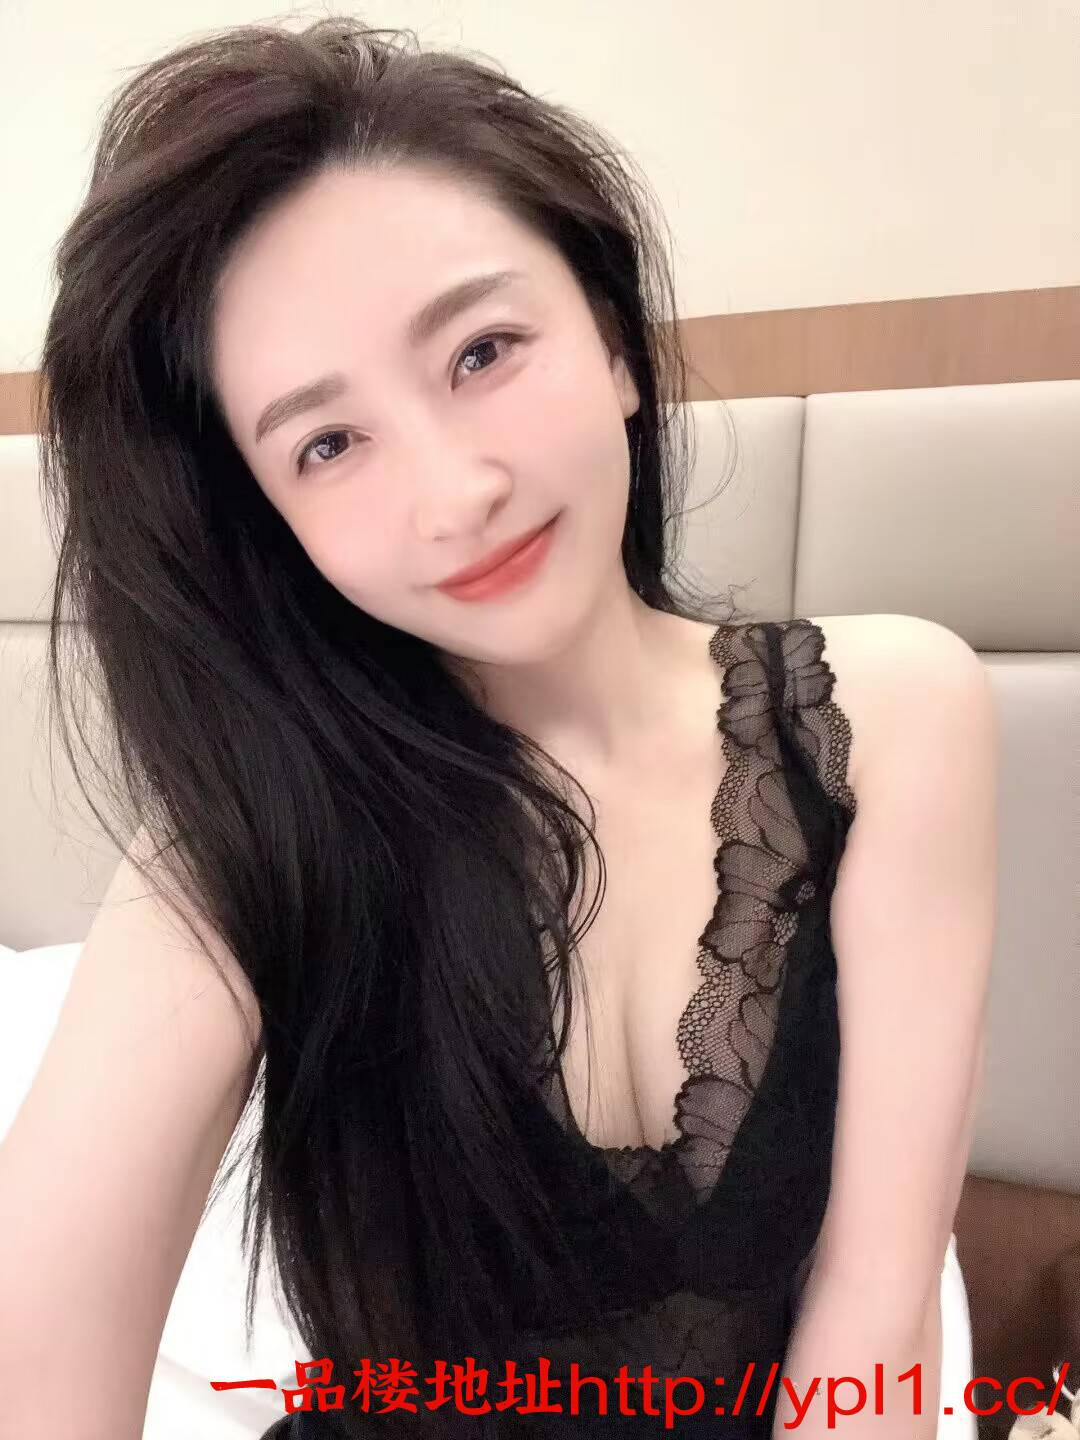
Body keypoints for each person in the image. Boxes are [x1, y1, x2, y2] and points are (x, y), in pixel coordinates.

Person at [0, 17, 998, 1440]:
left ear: (617, 345)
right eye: (327, 444)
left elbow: (877, 1321)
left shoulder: (893, 714)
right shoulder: (241, 850)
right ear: (275, 526)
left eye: (482, 351)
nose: (455, 492)